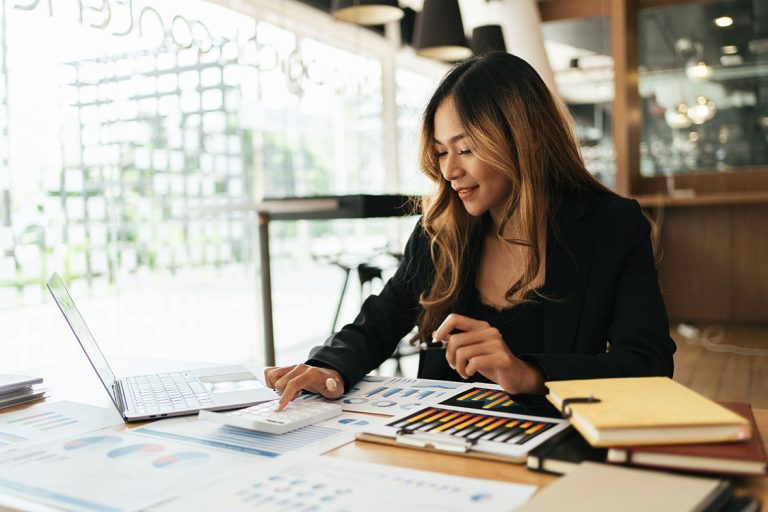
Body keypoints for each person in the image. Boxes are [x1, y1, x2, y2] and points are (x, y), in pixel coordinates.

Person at [265, 52, 676, 411]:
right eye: (442, 152)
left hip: (555, 444)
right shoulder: (440, 230)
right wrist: (328, 366)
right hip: (437, 444)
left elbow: (648, 364)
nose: (449, 170)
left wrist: (526, 373)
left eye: (466, 149)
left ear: (522, 139)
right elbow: (381, 320)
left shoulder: (612, 225)